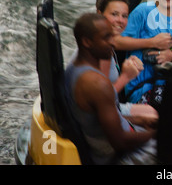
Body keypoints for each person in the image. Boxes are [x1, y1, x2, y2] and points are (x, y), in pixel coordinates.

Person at [65, 13, 157, 165]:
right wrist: (155, 134)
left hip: (118, 138)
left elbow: (96, 122)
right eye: (106, 38)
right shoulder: (97, 84)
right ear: (87, 42)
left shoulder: (74, 67)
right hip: (115, 157)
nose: (113, 42)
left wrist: (137, 120)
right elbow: (120, 142)